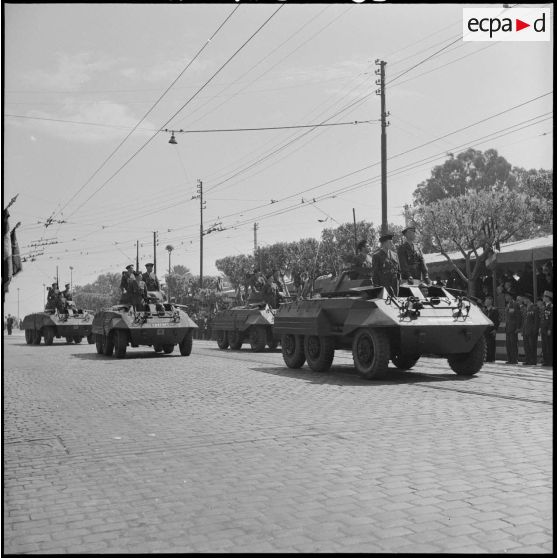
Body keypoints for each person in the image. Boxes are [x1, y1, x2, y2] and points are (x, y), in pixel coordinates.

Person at [372, 231, 401, 296]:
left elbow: (399, 270)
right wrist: (376, 287)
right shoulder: (377, 256)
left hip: (394, 284)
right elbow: (375, 273)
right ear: (384, 243)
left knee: (396, 303)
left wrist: (399, 282)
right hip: (383, 284)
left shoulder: (395, 255)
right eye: (390, 242)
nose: (392, 244)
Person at [520, 293, 540, 366]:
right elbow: (524, 321)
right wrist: (523, 330)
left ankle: (533, 361)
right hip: (526, 331)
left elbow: (536, 321)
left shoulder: (534, 308)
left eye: (524, 299)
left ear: (528, 299)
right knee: (526, 346)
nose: (523, 300)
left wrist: (535, 330)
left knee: (532, 346)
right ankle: (528, 360)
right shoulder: (526, 308)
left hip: (531, 331)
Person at [504, 289, 522, 365]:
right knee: (508, 344)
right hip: (508, 327)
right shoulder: (508, 305)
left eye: (506, 296)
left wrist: (518, 327)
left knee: (513, 344)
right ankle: (510, 359)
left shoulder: (515, 304)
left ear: (510, 296)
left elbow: (518, 316)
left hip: (513, 327)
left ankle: (514, 359)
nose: (505, 297)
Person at [482, 295, 500, 362]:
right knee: (486, 344)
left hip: (491, 330)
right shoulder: (485, 310)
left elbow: (497, 321)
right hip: (485, 330)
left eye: (486, 301)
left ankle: (491, 358)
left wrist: (495, 329)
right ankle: (486, 358)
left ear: (490, 301)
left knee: (491, 344)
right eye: (485, 301)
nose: (485, 302)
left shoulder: (494, 310)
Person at [540, 291, 553, 367]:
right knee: (544, 345)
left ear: (548, 298)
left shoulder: (551, 307)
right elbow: (543, 319)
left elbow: (551, 320)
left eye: (544, 297)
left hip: (548, 329)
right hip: (543, 329)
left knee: (549, 346)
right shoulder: (544, 307)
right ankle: (546, 361)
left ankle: (549, 361)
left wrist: (549, 329)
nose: (543, 298)